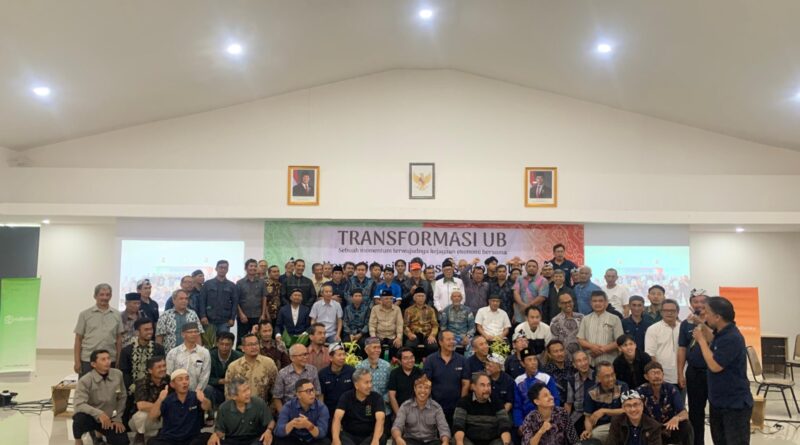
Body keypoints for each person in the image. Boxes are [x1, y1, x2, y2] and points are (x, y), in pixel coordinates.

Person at [692, 296, 753, 445]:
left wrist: (701, 340)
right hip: (719, 400)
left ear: (718, 317)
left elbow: (715, 366)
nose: (704, 315)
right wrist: (701, 324)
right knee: (720, 440)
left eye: (707, 312)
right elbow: (713, 339)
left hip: (733, 404)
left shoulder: (732, 337)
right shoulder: (722, 332)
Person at [72, 349, 129, 445]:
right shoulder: (85, 380)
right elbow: (79, 404)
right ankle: (78, 440)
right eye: (103, 359)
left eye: (108, 358)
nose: (107, 362)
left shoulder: (117, 375)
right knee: (79, 419)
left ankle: (99, 435)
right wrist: (99, 414)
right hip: (92, 417)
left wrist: (117, 418)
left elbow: (122, 397)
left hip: (109, 418)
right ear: (93, 364)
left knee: (122, 442)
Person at [118, 318, 166, 426]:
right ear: (137, 332)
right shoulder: (127, 351)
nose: (150, 332)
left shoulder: (158, 349)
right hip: (132, 388)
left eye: (151, 329)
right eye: (146, 329)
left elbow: (161, 370)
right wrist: (134, 387)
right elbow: (125, 373)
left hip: (154, 387)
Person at [147, 368, 213, 445]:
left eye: (187, 379)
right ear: (172, 384)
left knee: (211, 438)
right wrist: (159, 399)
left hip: (192, 438)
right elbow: (152, 416)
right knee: (151, 442)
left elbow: (207, 407)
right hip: (170, 438)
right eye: (180, 379)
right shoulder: (168, 399)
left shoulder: (195, 396)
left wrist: (203, 399)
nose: (184, 382)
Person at [677, 289, 709, 445]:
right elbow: (682, 349)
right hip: (694, 372)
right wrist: (680, 373)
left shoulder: (714, 321)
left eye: (703, 301)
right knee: (696, 412)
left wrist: (700, 323)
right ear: (690, 304)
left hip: (714, 372)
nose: (699, 305)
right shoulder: (685, 324)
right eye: (695, 302)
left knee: (717, 411)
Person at [74, 283, 124, 376]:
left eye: (107, 295)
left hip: (109, 360)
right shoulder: (85, 314)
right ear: (95, 296)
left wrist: (118, 360)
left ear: (111, 296)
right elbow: (78, 339)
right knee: (87, 385)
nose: (105, 297)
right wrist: (77, 361)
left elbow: (119, 339)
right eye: (101, 294)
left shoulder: (117, 315)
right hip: (88, 360)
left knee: (109, 385)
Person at [637, 361, 692, 445]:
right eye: (653, 373)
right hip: (650, 429)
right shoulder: (640, 391)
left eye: (659, 373)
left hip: (669, 426)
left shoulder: (671, 389)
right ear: (646, 377)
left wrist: (676, 418)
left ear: (663, 375)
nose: (656, 376)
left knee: (686, 425)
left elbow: (684, 413)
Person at [424, 331, 471, 427]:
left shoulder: (462, 360)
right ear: (440, 342)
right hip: (435, 407)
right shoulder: (430, 360)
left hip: (456, 407)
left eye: (453, 339)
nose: (452, 342)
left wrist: (460, 405)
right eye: (448, 339)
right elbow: (426, 383)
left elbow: (466, 384)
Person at [209, 378, 276, 445]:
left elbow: (271, 421)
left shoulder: (259, 403)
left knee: (268, 439)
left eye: (248, 389)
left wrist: (269, 430)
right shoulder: (223, 408)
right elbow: (220, 430)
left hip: (254, 439)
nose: (248, 393)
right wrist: (215, 435)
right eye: (244, 391)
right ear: (234, 396)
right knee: (209, 439)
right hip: (232, 440)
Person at [452, 372, 513, 445]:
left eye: (488, 385)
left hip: (492, 441)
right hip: (469, 440)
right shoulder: (463, 402)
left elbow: (504, 427)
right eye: (482, 385)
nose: (486, 389)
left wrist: (506, 443)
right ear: (473, 387)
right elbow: (458, 426)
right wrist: (460, 443)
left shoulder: (497, 402)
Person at [332, 368, 387, 445]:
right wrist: (335, 439)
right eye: (366, 382)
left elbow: (380, 420)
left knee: (382, 437)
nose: (370, 385)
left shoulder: (377, 398)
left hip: (369, 436)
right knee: (339, 437)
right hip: (349, 436)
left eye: (371, 381)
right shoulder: (346, 396)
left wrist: (375, 440)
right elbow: (337, 418)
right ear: (356, 385)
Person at [391, 375, 451, 445]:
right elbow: (397, 426)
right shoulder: (405, 406)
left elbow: (444, 428)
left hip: (431, 441)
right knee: (396, 442)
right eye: (420, 387)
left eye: (426, 388)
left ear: (430, 390)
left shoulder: (436, 407)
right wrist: (398, 438)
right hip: (411, 441)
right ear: (414, 388)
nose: (423, 391)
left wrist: (445, 441)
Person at [580, 361, 628, 443]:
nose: (611, 379)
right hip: (603, 427)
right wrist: (588, 430)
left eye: (612, 375)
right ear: (598, 378)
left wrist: (604, 411)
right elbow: (588, 417)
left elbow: (626, 410)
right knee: (593, 436)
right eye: (607, 376)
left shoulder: (623, 386)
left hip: (622, 423)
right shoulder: (592, 392)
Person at [225, 333, 279, 404]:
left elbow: (276, 389)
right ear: (243, 348)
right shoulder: (233, 367)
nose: (254, 347)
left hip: (262, 406)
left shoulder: (269, 363)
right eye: (250, 345)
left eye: (256, 344)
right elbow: (228, 393)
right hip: (240, 407)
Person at [512, 347, 559, 427]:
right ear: (522, 363)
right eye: (529, 360)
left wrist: (551, 419)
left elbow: (555, 400)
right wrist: (520, 425)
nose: (533, 362)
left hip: (546, 419)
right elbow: (517, 406)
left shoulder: (546, 378)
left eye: (535, 359)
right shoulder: (518, 381)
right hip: (526, 421)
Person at [275, 379, 330, 445]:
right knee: (279, 441)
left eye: (313, 390)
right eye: (308, 391)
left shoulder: (322, 408)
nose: (312, 393)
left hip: (312, 439)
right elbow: (278, 431)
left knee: (325, 442)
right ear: (298, 395)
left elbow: (322, 433)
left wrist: (308, 425)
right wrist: (292, 423)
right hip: (294, 438)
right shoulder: (288, 406)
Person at [577, 290, 624, 366]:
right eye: (594, 301)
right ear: (591, 303)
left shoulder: (615, 319)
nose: (597, 303)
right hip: (590, 362)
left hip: (609, 363)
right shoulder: (585, 319)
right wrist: (592, 347)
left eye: (600, 301)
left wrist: (601, 350)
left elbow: (619, 341)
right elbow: (580, 340)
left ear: (606, 302)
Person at [129, 356, 169, 442]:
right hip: (143, 419)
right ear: (150, 370)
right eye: (159, 367)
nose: (163, 369)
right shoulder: (142, 382)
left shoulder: (168, 380)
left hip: (163, 415)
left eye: (164, 366)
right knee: (141, 415)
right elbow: (141, 405)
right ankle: (140, 435)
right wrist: (160, 404)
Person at [273, 344, 322, 413]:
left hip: (310, 412)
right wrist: (283, 415)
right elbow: (277, 398)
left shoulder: (313, 370)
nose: (305, 357)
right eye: (301, 355)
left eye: (306, 354)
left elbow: (317, 393)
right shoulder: (283, 373)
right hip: (289, 413)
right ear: (292, 358)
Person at [644, 299, 681, 385]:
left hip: (682, 374)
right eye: (666, 310)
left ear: (677, 312)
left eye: (672, 310)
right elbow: (650, 354)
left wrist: (682, 375)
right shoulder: (653, 329)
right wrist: (657, 375)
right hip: (662, 377)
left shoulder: (682, 327)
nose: (669, 313)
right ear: (661, 312)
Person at [166, 322, 211, 391]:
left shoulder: (204, 353)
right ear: (183, 334)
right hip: (176, 392)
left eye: (196, 332)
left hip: (196, 392)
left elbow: (205, 376)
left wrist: (197, 393)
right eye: (190, 332)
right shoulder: (173, 353)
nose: (193, 334)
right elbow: (169, 373)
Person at [319, 343, 356, 426]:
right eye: (339, 355)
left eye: (344, 354)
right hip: (330, 413)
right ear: (331, 357)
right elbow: (321, 396)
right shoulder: (322, 374)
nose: (343, 357)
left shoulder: (352, 371)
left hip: (348, 413)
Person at [199, 260, 239, 334]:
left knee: (223, 340)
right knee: (210, 341)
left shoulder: (232, 286)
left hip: (225, 321)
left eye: (225, 268)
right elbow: (202, 301)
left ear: (227, 270)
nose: (223, 270)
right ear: (216, 269)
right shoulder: (207, 284)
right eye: (221, 267)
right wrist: (203, 316)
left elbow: (235, 303)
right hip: (209, 320)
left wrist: (232, 318)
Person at [356, 337, 393, 414]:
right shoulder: (360, 367)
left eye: (379, 347)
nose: (377, 350)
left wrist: (381, 400)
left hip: (384, 407)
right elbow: (358, 388)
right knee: (367, 417)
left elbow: (391, 387)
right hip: (366, 406)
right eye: (374, 347)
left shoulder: (387, 366)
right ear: (366, 350)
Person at [207, 332, 243, 409]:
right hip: (216, 388)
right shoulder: (209, 356)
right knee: (208, 389)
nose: (224, 347)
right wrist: (219, 381)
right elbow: (205, 378)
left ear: (232, 345)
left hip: (233, 388)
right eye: (221, 344)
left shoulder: (239, 357)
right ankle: (211, 413)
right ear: (217, 344)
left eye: (227, 344)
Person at [236, 259, 268, 345]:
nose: (253, 268)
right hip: (243, 317)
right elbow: (236, 300)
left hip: (257, 316)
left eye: (255, 266)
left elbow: (264, 298)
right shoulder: (239, 283)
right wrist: (241, 314)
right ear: (246, 268)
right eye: (251, 266)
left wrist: (263, 314)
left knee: (257, 339)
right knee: (242, 339)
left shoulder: (261, 282)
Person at [404, 288, 440, 359]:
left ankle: (428, 361)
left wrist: (432, 335)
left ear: (425, 298)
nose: (421, 298)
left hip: (427, 334)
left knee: (433, 346)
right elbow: (405, 326)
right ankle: (413, 361)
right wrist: (409, 334)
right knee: (409, 345)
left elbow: (435, 325)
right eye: (418, 296)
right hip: (414, 334)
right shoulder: (408, 310)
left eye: (422, 296)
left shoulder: (431, 310)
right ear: (414, 298)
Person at [565, 350, 594, 435]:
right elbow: (569, 403)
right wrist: (565, 421)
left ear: (589, 360)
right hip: (578, 414)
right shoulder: (572, 380)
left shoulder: (597, 376)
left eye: (585, 359)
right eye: (579, 361)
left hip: (593, 414)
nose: (583, 363)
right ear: (574, 365)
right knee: (567, 432)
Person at [388, 347, 425, 413]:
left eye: (411, 357)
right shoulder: (394, 373)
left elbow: (424, 394)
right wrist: (399, 415)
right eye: (406, 358)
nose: (410, 360)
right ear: (399, 361)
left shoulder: (420, 372)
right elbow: (392, 396)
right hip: (400, 410)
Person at [368, 290, 404, 358]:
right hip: (379, 336)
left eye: (391, 298)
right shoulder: (375, 309)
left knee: (398, 345)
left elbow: (399, 324)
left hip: (392, 336)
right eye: (386, 299)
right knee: (374, 347)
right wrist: (373, 337)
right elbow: (372, 325)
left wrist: (399, 337)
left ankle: (394, 362)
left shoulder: (397, 309)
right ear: (381, 300)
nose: (389, 300)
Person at [512, 259, 548, 324]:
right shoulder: (519, 278)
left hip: (535, 315)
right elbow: (516, 293)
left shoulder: (543, 280)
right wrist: (522, 305)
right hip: (520, 314)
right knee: (520, 330)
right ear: (526, 268)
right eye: (529, 266)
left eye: (534, 266)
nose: (531, 268)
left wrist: (527, 307)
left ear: (537, 269)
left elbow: (542, 297)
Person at [439, 288, 475, 353]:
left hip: (464, 336)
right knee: (448, 343)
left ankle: (467, 359)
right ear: (451, 298)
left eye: (459, 296)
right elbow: (443, 327)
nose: (456, 298)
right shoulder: (446, 310)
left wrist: (467, 337)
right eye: (454, 296)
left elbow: (472, 327)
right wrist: (449, 337)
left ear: (461, 298)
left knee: (472, 344)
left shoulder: (467, 310)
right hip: (451, 336)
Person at [540, 340, 574, 407]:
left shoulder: (572, 366)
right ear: (549, 355)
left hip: (575, 405)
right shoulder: (545, 373)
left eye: (561, 350)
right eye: (556, 351)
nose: (559, 354)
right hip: (554, 406)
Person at [343, 288, 370, 353]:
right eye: (356, 296)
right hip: (350, 333)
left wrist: (360, 334)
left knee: (363, 343)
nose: (358, 298)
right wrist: (350, 334)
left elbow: (368, 323)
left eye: (360, 296)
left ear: (362, 297)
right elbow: (344, 322)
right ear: (352, 298)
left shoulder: (367, 309)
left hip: (362, 333)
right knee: (346, 342)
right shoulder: (347, 309)